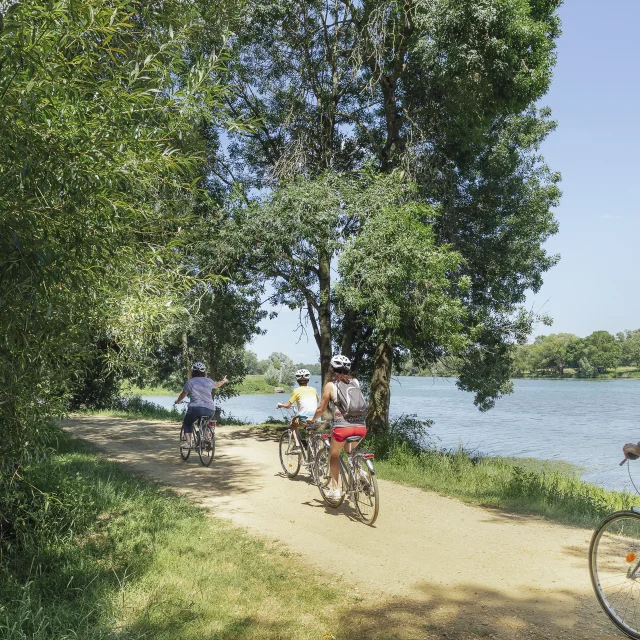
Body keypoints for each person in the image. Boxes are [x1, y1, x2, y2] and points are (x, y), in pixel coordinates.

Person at [309, 354, 366, 501]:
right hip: (360, 427)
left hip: (342, 429)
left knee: (334, 456)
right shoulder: (356, 382)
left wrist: (312, 419)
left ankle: (335, 489)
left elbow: (321, 408)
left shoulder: (330, 386)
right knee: (350, 451)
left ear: (332, 369)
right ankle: (360, 473)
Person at [174, 362, 227, 448]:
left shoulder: (190, 382)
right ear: (204, 372)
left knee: (187, 423)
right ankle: (206, 438)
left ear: (192, 371)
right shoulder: (209, 381)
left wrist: (177, 401)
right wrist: (224, 380)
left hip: (195, 409)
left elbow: (183, 395)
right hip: (210, 409)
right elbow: (218, 384)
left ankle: (188, 442)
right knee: (204, 423)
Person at [276, 369, 318, 452]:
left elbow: (288, 406)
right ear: (308, 380)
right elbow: (316, 401)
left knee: (292, 423)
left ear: (297, 381)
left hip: (304, 418)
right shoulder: (313, 390)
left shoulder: (296, 391)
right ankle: (316, 452)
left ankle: (297, 445)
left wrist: (280, 405)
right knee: (311, 432)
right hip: (315, 418)